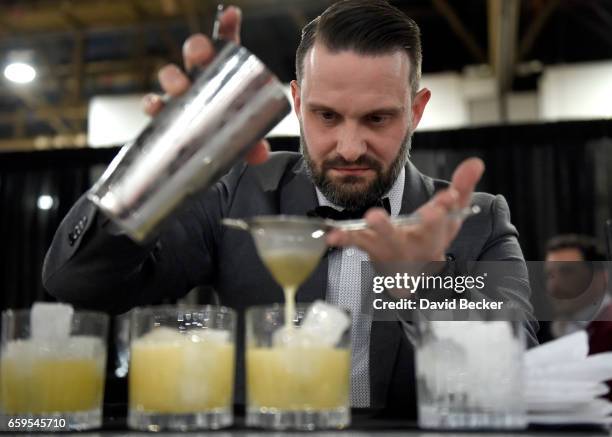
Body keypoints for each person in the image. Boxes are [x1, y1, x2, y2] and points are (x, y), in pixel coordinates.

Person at [43, 0, 536, 416]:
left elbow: (518, 376)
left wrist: (421, 283)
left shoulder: (477, 221)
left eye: (378, 118)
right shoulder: (237, 193)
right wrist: (160, 166)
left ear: (417, 110)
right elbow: (79, 283)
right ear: (297, 102)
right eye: (326, 115)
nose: (348, 147)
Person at [544, 234, 611, 352]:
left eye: (566, 272)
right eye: (549, 275)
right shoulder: (554, 330)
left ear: (600, 277)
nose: (554, 286)